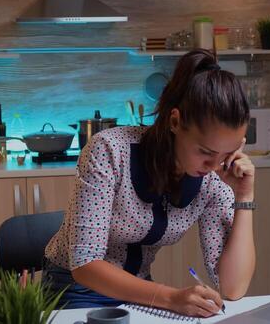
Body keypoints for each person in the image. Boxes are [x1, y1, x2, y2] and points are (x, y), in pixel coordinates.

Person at [43, 49, 256, 318]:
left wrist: (244, 195)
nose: (215, 166)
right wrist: (170, 297)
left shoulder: (214, 180)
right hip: (76, 290)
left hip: (140, 292)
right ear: (175, 121)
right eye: (205, 152)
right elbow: (85, 264)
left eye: (227, 154)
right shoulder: (109, 151)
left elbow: (232, 286)